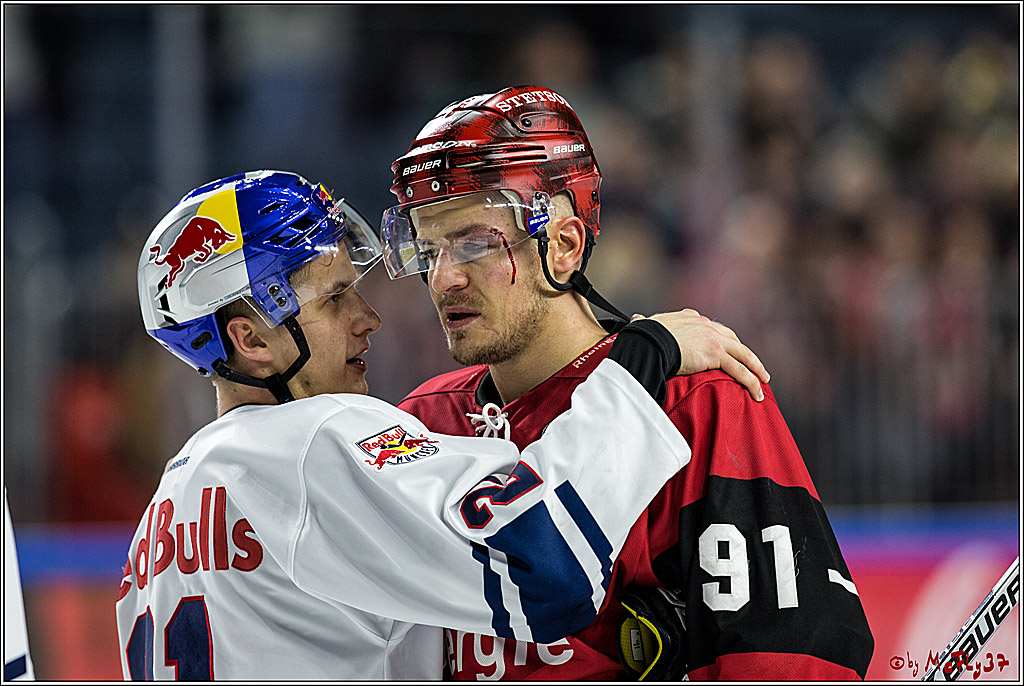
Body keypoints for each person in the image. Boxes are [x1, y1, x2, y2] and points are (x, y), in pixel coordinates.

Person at [116, 170, 767, 679]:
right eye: (336, 299)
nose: (368, 318)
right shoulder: (313, 441)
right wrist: (641, 360)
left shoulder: (163, 515)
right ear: (253, 340)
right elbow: (542, 566)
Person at [384, 85, 874, 680]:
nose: (443, 279)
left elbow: (789, 661)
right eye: (428, 249)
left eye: (474, 243)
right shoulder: (419, 425)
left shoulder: (696, 403)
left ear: (564, 246)